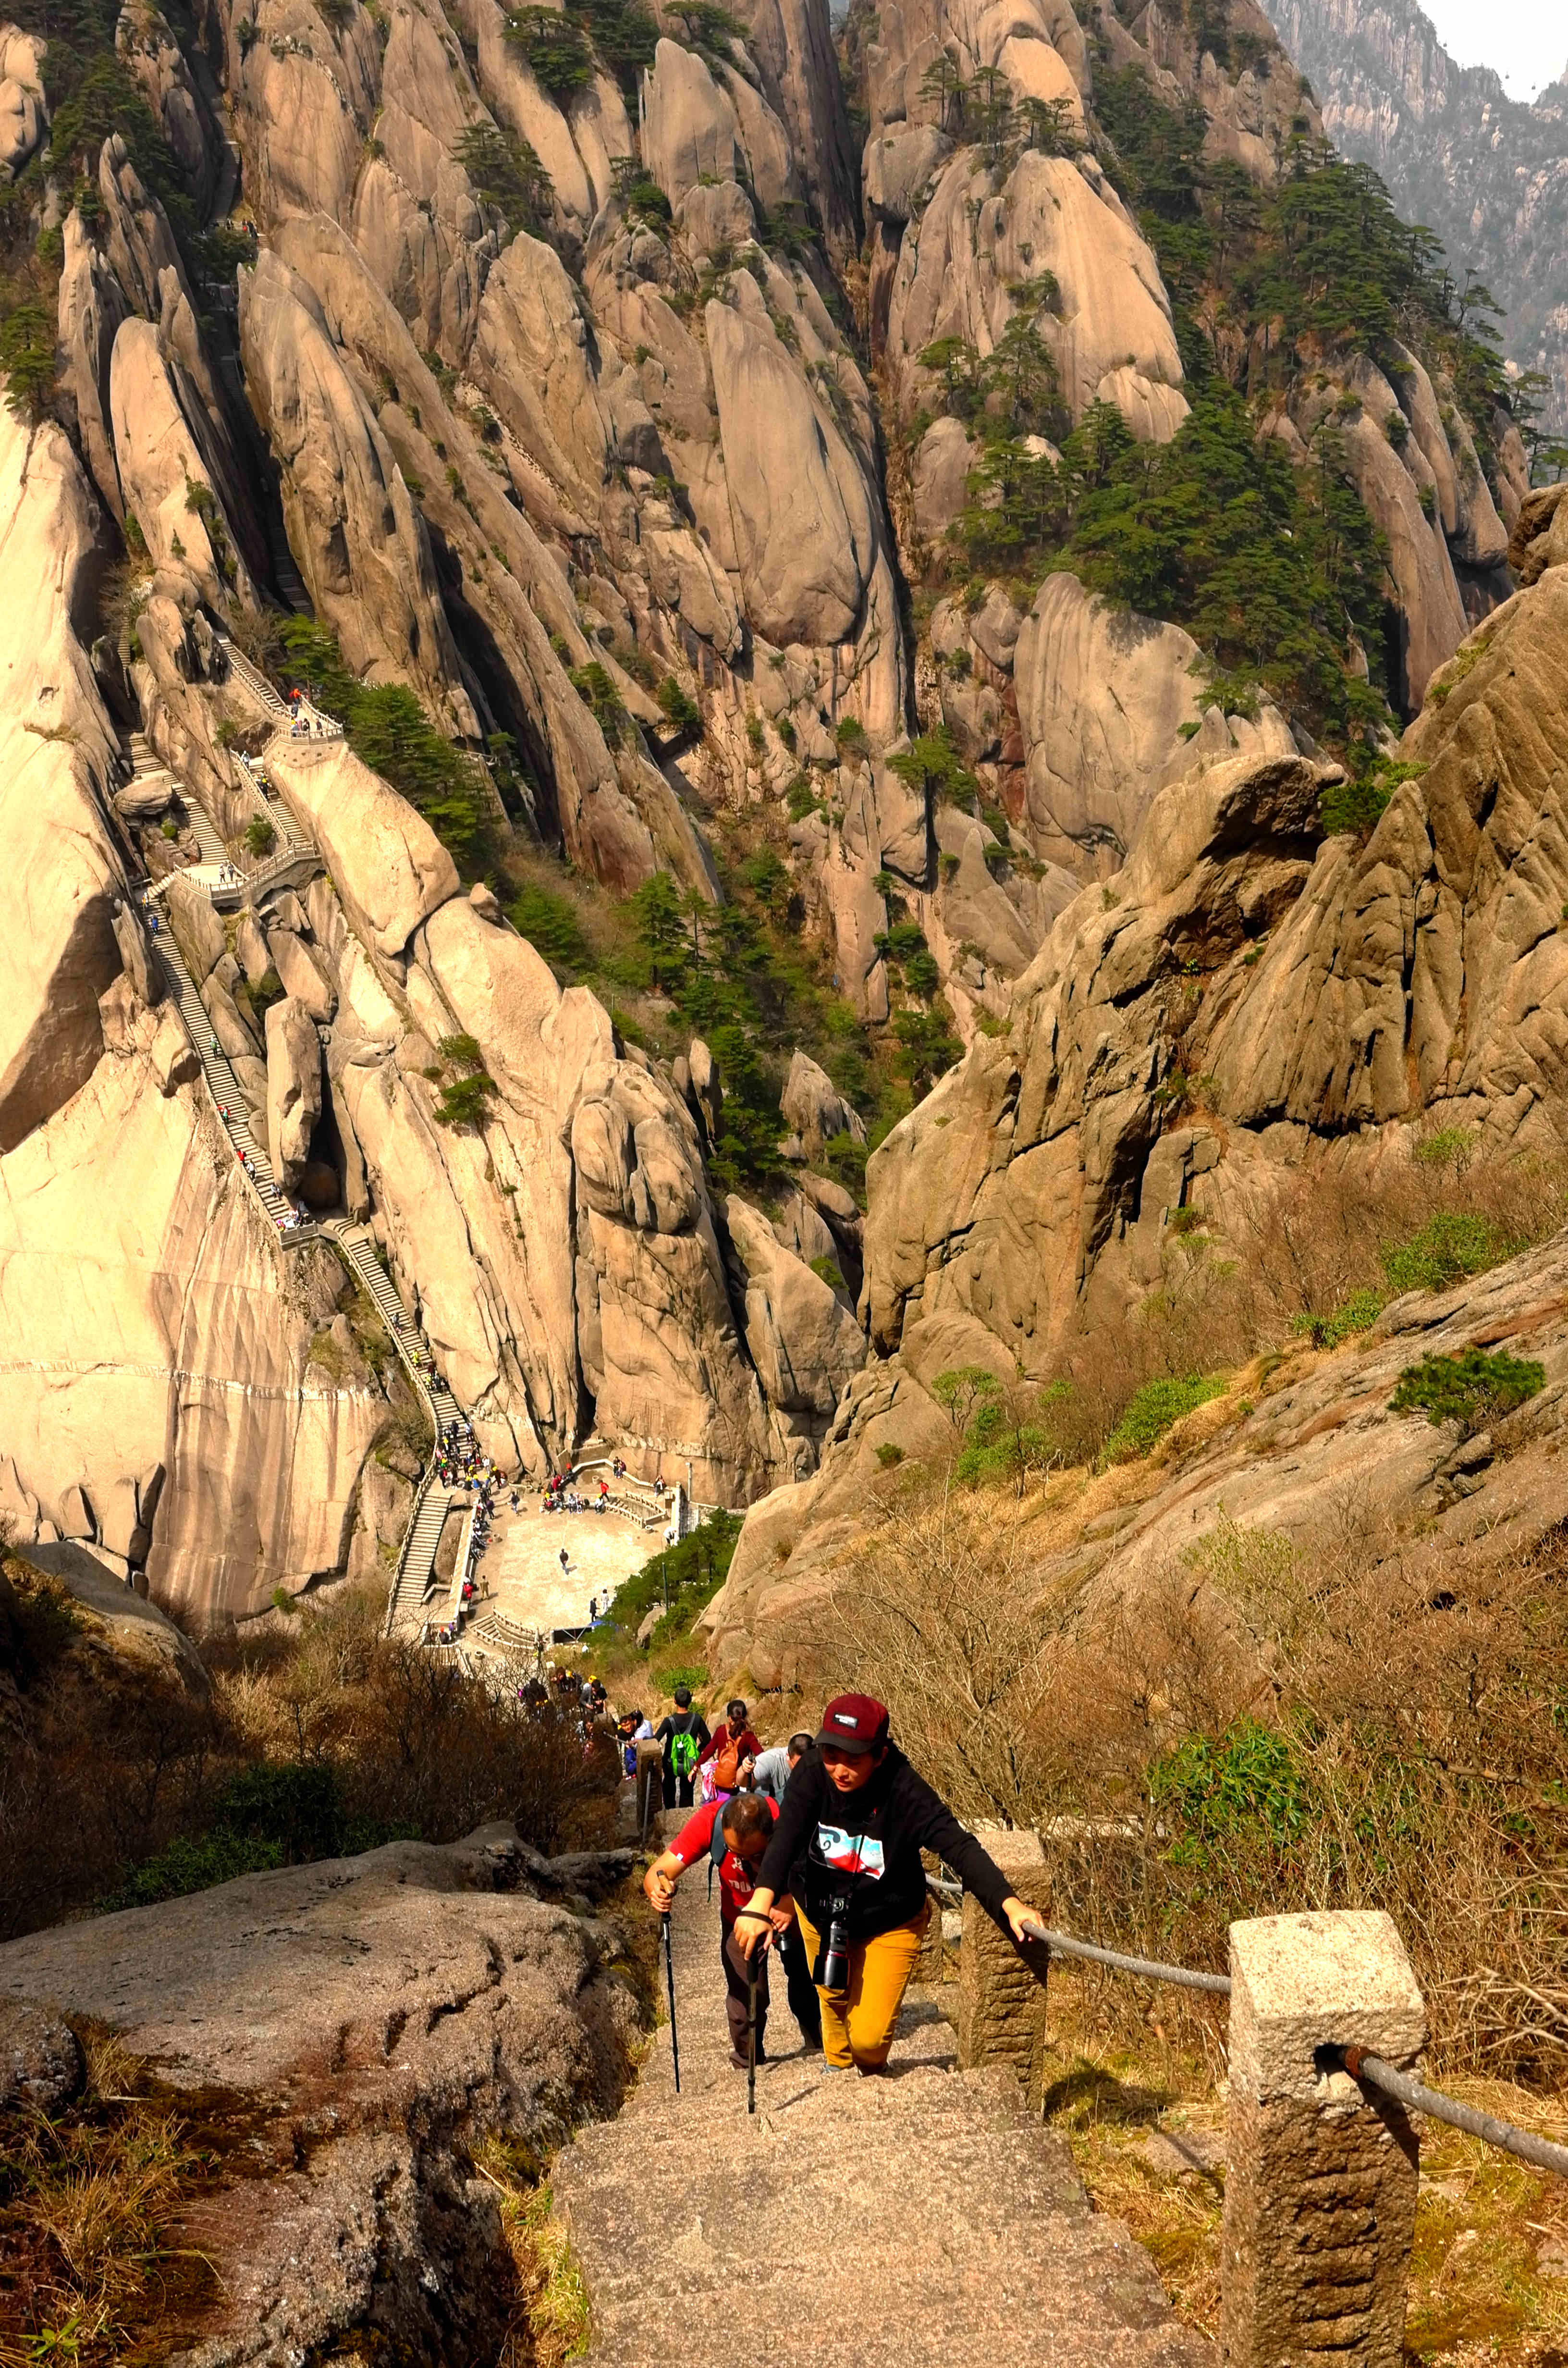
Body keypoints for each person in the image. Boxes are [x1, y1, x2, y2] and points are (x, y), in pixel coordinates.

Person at [733, 1692, 1040, 2076]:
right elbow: (787, 1835)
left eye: (854, 1760)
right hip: (818, 1908)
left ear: (879, 1755)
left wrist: (1008, 1903)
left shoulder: (903, 1788)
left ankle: (866, 2069)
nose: (839, 1770)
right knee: (830, 1994)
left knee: (869, 2040)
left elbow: (957, 1845)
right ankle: (839, 2073)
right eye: (832, 1755)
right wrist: (761, 1904)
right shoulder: (811, 1771)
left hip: (890, 1917)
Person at [644, 1791, 806, 2071]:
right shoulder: (710, 1822)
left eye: (755, 1855)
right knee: (746, 1998)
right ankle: (748, 2061)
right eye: (734, 1853)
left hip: (788, 1908)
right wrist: (657, 1890)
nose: (743, 1862)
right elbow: (659, 1871)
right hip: (739, 1918)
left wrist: (791, 1902)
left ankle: (821, 2041)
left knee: (809, 1981)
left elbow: (822, 1873)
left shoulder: (790, 1819)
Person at [654, 1685, 710, 1810]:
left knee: (669, 1789)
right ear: (690, 1701)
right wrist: (697, 1752)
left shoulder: (669, 1721)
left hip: (670, 1762)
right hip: (690, 1762)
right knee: (687, 1793)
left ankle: (670, 1814)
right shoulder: (697, 1719)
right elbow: (708, 1740)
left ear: (674, 1702)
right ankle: (685, 1820)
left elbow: (656, 1739)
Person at [698, 1699, 761, 1801]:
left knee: (719, 1809)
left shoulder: (721, 1731)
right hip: (740, 1781)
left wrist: (696, 1766)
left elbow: (709, 1750)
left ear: (730, 1718)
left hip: (723, 1780)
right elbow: (761, 1754)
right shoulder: (749, 1737)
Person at [749, 1731, 814, 1804]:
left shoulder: (820, 1762)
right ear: (788, 1757)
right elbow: (744, 1784)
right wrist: (745, 1771)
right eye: (798, 1767)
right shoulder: (770, 1760)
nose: (803, 1771)